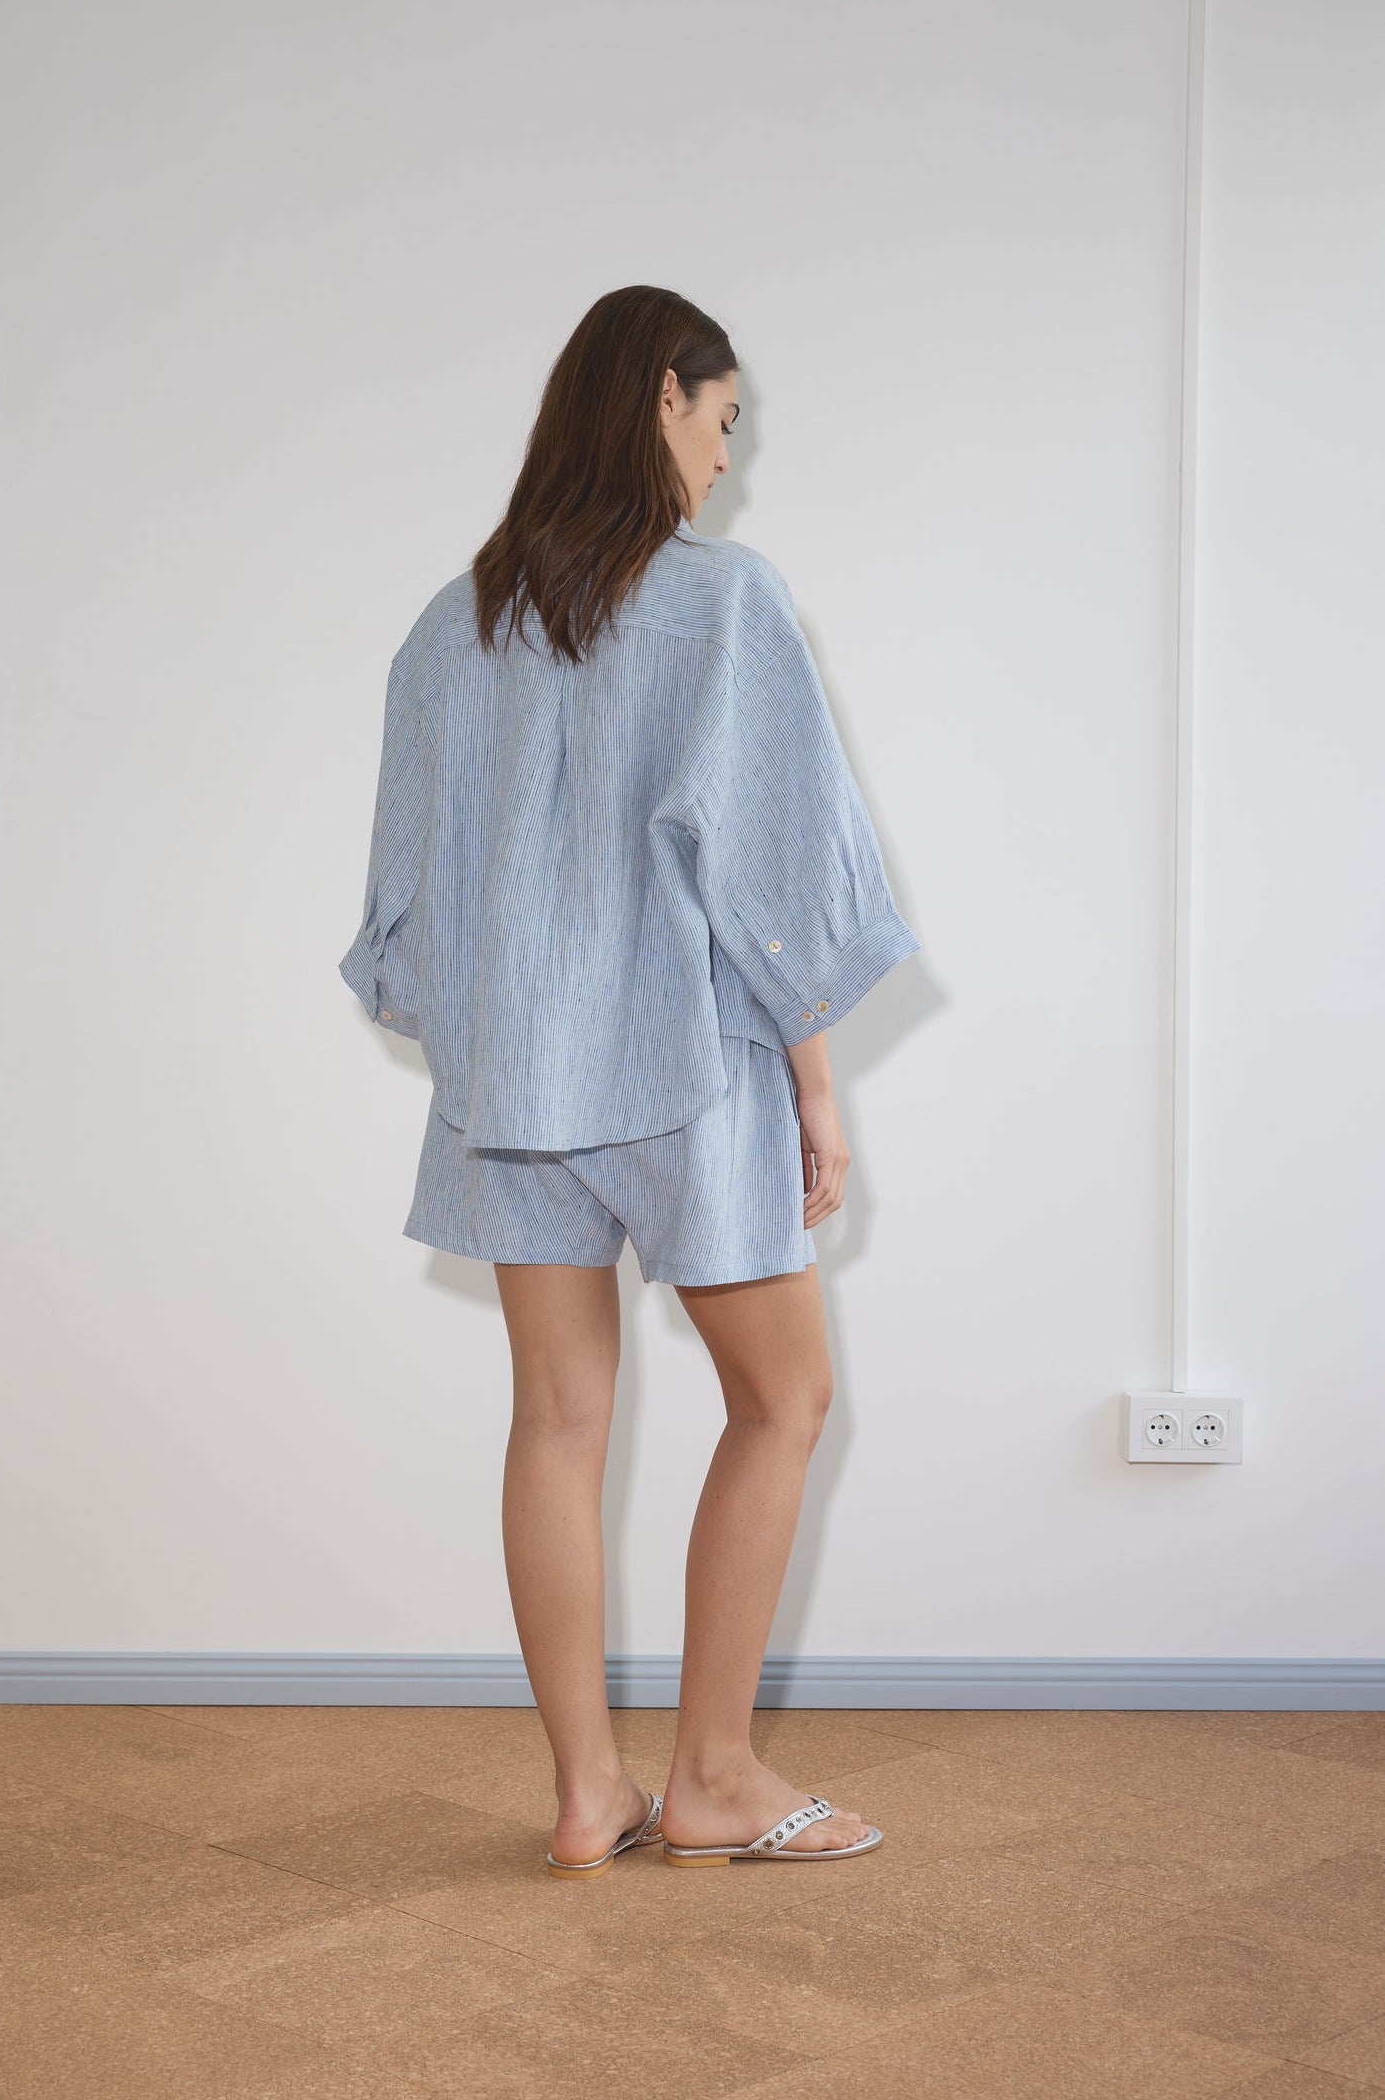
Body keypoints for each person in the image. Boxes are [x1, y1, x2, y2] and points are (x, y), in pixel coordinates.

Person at [339, 285, 921, 1875]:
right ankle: (716, 1780)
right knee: (784, 1398)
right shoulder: (719, 606)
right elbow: (777, 873)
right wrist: (814, 1083)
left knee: (554, 1421)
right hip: (683, 1066)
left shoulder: (446, 626)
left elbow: (402, 905)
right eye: (722, 420)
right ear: (662, 398)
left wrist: (492, 1036)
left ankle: (589, 1792)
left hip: (510, 1086)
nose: (727, 462)